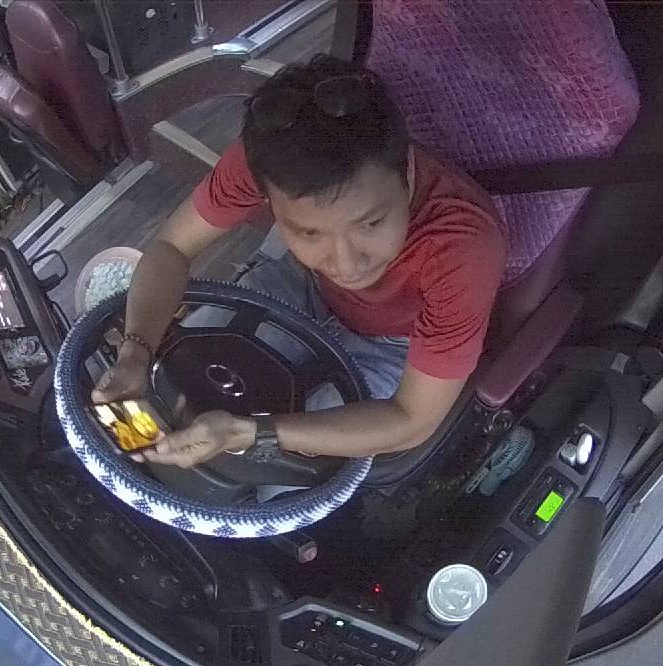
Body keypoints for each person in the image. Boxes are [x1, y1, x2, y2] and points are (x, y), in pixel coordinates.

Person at [93, 54, 507, 469]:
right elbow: (171, 246)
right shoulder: (269, 161)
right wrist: (135, 352)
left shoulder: (463, 246)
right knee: (173, 382)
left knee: (264, 472)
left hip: (396, 342)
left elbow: (412, 419)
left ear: (409, 172)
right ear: (266, 198)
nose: (347, 265)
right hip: (301, 281)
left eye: (371, 223)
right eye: (310, 232)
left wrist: (250, 434)